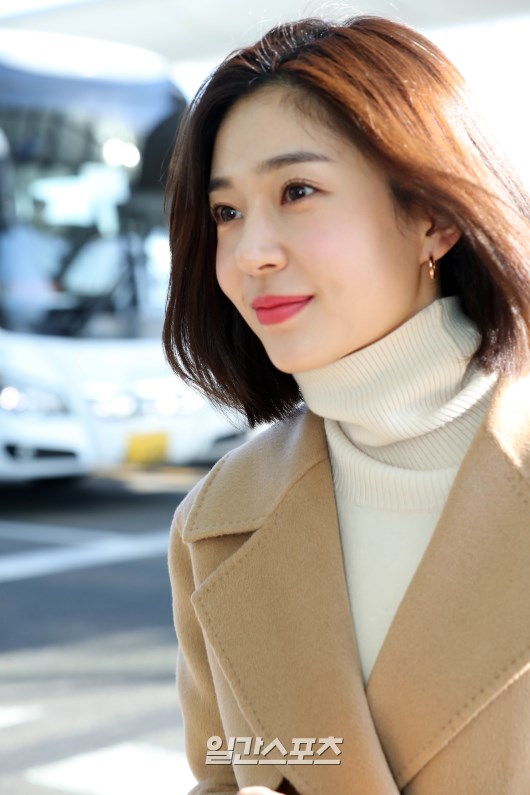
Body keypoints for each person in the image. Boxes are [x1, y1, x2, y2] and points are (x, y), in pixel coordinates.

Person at [163, 15, 530, 795]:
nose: (251, 251)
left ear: (434, 217)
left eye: (298, 191)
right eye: (227, 212)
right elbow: (221, 778)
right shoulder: (216, 521)